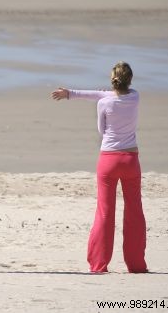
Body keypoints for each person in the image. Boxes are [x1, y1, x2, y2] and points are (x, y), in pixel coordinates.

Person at [51, 61, 147, 273]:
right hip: (131, 159)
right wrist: (101, 94)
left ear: (112, 80)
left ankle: (99, 264)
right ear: (130, 80)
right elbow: (106, 94)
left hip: (109, 161)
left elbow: (102, 129)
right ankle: (136, 264)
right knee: (134, 210)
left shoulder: (104, 103)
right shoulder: (135, 96)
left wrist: (70, 94)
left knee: (105, 212)